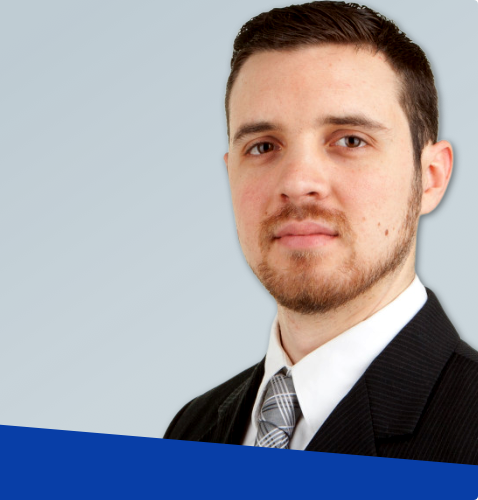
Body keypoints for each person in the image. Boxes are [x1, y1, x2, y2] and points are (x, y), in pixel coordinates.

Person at [164, 1, 478, 464]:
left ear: (430, 178)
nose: (297, 182)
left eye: (350, 140)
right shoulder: (191, 430)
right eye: (263, 146)